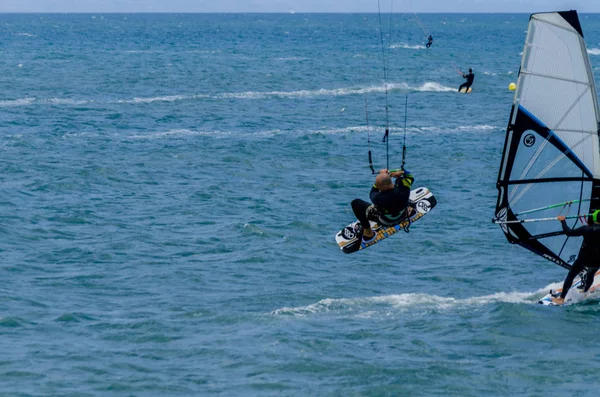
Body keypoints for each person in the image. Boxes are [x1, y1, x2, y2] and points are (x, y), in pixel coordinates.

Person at [351, 169, 415, 243]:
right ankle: (409, 210)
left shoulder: (377, 198)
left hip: (386, 221)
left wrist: (382, 176)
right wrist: (401, 172)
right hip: (403, 214)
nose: (378, 187)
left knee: (356, 203)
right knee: (400, 182)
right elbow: (410, 176)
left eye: (379, 186)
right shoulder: (404, 186)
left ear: (384, 186)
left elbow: (373, 191)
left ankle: (368, 233)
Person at [551, 211, 600, 305]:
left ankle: (561, 299)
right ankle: (585, 292)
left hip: (584, 259)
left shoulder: (586, 229)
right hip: (597, 260)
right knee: (591, 274)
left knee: (571, 275)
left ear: (594, 218)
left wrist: (563, 221)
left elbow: (568, 232)